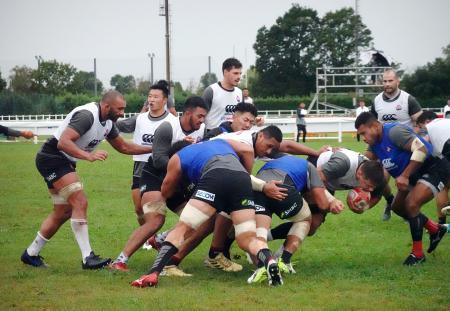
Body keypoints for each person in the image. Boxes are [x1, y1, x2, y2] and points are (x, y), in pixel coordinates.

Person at [21, 90, 152, 269]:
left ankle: (31, 254)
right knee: (80, 202)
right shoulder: (86, 116)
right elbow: (63, 142)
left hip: (63, 161)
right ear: (106, 106)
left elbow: (124, 147)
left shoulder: (108, 122)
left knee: (63, 212)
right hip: (52, 158)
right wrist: (87, 156)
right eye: (120, 109)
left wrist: (154, 148)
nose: (122, 113)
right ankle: (87, 258)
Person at [130, 139, 283, 288]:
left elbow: (166, 191)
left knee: (183, 228)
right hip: (242, 179)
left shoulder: (177, 157)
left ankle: (153, 272)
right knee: (247, 238)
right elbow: (247, 149)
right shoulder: (220, 142)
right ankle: (269, 260)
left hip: (214, 177)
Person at [109, 96, 207, 273]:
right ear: (188, 113)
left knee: (199, 220)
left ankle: (161, 240)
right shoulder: (168, 127)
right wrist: (181, 151)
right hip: (155, 176)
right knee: (155, 220)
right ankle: (119, 261)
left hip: (178, 181)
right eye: (199, 116)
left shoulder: (202, 131)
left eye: (204, 117)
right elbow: (159, 159)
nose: (202, 120)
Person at [355, 112, 449, 265]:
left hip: (433, 168)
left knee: (411, 204)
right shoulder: (373, 144)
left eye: (363, 133)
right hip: (412, 176)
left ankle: (417, 254)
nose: (363, 138)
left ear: (374, 126)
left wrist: (404, 176)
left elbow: (422, 150)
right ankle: (435, 229)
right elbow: (364, 161)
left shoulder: (394, 132)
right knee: (397, 207)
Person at [248, 154, 344, 281]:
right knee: (305, 220)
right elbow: (321, 199)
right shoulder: (310, 168)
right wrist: (332, 204)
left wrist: (333, 199)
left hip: (258, 189)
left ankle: (263, 264)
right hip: (282, 189)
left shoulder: (282, 161)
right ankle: (284, 260)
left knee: (259, 233)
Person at [116, 83, 177, 224]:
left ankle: (159, 235)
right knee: (138, 208)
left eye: (156, 97)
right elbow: (118, 125)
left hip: (162, 167)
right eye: (150, 96)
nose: (151, 100)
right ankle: (147, 237)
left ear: (165, 100)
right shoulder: (139, 119)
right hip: (140, 166)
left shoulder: (173, 122)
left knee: (158, 208)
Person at [370, 69, 423, 221]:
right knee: (379, 179)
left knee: (408, 184)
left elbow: (421, 122)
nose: (387, 84)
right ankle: (389, 200)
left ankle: (405, 210)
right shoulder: (377, 101)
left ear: (397, 81)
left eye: (390, 81)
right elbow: (371, 125)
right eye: (384, 81)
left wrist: (417, 138)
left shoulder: (408, 99)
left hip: (405, 150)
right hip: (384, 149)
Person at [416, 110, 450, 224]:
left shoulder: (428, 127)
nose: (418, 129)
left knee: (442, 186)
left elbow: (421, 145)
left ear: (426, 121)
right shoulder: (446, 121)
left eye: (419, 126)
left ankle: (442, 223)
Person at [203, 58, 243, 130]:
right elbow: (200, 116)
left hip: (232, 136)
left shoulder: (239, 93)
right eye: (235, 73)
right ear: (225, 72)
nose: (239, 77)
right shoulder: (211, 91)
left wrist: (255, 121)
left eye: (240, 73)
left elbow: (242, 115)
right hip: (213, 135)